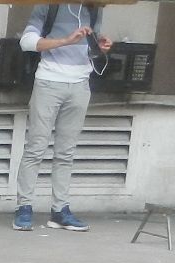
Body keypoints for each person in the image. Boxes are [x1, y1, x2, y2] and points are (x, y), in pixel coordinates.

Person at [13, 3, 111, 232]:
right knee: (36, 147)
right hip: (49, 81)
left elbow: (89, 48)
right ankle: (24, 207)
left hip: (80, 83)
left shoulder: (93, 8)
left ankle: (60, 211)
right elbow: (27, 42)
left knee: (66, 152)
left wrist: (100, 47)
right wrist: (65, 41)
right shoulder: (49, 6)